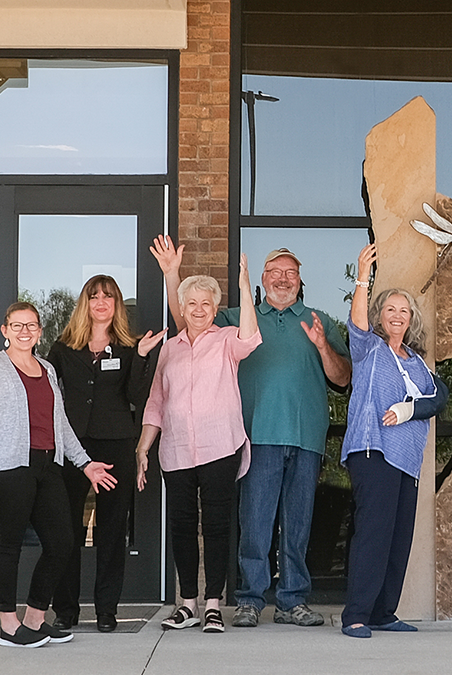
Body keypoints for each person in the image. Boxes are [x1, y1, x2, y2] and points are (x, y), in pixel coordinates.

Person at [151, 235, 352, 629]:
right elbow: (187, 321)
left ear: (299, 280)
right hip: (255, 434)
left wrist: (323, 345)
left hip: (306, 436)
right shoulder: (235, 319)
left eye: (290, 273)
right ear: (262, 278)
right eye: (275, 272)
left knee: (298, 525)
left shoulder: (320, 320)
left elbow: (343, 378)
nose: (283, 278)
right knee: (255, 524)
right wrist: (172, 275)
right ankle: (249, 599)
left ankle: (293, 601)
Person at [0, 302, 117, 648]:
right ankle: (8, 626)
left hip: (46, 466)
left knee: (63, 541)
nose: (24, 332)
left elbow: (59, 423)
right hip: (7, 468)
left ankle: (34, 618)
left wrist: (85, 462)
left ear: (39, 331)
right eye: (17, 326)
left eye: (31, 325)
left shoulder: (46, 368)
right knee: (8, 544)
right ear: (5, 330)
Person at [135, 254, 261, 634]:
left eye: (207, 303)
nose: (199, 309)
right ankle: (187, 603)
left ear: (216, 308)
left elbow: (252, 338)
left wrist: (244, 286)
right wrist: (143, 447)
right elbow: (156, 400)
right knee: (183, 526)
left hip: (220, 446)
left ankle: (212, 606)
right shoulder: (169, 348)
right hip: (174, 450)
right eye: (192, 303)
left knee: (218, 526)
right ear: (183, 307)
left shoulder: (226, 340)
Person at [340, 243, 448, 638]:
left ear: (411, 319)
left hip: (406, 459)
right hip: (373, 452)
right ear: (379, 318)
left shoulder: (417, 362)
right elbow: (356, 321)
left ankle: (384, 612)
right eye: (390, 310)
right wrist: (363, 278)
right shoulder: (369, 349)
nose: (398, 316)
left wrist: (408, 411)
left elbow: (440, 398)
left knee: (399, 538)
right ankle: (355, 614)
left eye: (404, 311)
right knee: (374, 533)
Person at [49, 276, 164, 633]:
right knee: (67, 530)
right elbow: (50, 394)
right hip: (72, 447)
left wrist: (143, 356)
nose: (101, 301)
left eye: (108, 296)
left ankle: (106, 611)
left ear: (116, 305)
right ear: (85, 302)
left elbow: (136, 394)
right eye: (94, 295)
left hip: (115, 443)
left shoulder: (129, 348)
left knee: (111, 533)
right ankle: (66, 610)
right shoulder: (63, 347)